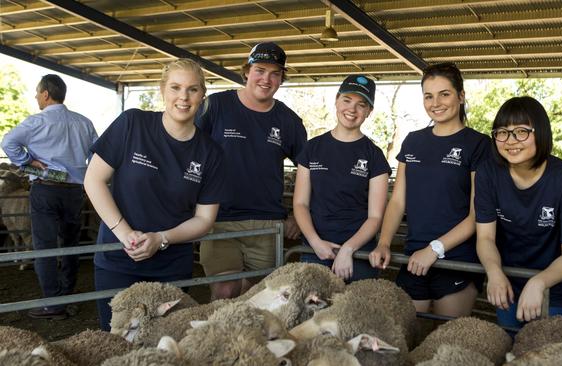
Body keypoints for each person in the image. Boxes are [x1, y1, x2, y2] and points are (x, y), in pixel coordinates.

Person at [84, 58, 228, 330]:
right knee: (116, 341)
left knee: (163, 344)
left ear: (203, 95)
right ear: (162, 90)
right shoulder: (132, 124)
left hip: (171, 266)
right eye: (175, 87)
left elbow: (205, 219)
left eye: (193, 89)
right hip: (118, 258)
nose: (183, 97)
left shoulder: (211, 153)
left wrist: (161, 239)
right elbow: (94, 180)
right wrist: (125, 234)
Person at [369, 62, 490, 317]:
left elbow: (477, 214)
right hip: (414, 256)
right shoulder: (413, 141)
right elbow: (398, 201)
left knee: (447, 341)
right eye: (428, 95)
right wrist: (384, 242)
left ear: (461, 95)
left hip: (456, 258)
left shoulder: (478, 145)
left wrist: (434, 249)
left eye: (444, 94)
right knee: (405, 335)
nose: (436, 102)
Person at [196, 42, 307, 300]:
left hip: (267, 221)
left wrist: (298, 214)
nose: (266, 79)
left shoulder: (289, 121)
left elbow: (308, 168)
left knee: (258, 295)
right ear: (246, 71)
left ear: (281, 79)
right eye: (260, 70)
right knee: (225, 290)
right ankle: (216, 340)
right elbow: (188, 149)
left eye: (275, 73)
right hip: (220, 217)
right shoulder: (216, 106)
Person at [474, 96, 562, 330]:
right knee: (510, 350)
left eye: (521, 131)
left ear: (541, 133)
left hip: (554, 288)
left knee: (547, 351)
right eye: (502, 132)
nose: (511, 141)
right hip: (507, 284)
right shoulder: (488, 173)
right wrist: (494, 273)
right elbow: (485, 237)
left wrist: (539, 283)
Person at [1, 74, 97, 320]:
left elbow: (8, 141)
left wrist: (27, 163)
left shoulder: (36, 122)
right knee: (70, 243)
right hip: (75, 191)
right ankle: (67, 294)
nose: (35, 97)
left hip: (45, 188)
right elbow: (97, 153)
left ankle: (53, 303)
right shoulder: (84, 123)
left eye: (36, 93)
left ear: (45, 94)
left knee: (44, 245)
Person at [293, 75, 390, 282]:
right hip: (316, 249)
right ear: (336, 100)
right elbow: (300, 203)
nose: (352, 109)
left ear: (369, 112)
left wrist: (349, 249)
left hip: (358, 252)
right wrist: (315, 242)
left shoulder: (374, 156)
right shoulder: (312, 148)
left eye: (361, 105)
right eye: (347, 100)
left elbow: (375, 216)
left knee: (356, 310)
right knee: (310, 310)